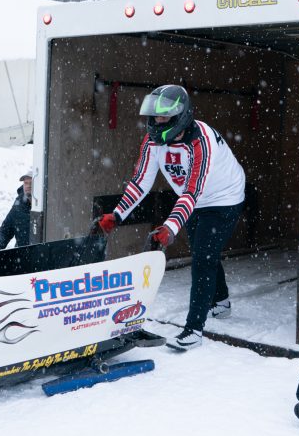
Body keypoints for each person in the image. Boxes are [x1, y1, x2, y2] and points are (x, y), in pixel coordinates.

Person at [96, 85, 246, 351]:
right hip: (193, 199)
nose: (156, 123)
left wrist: (170, 226)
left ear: (180, 116)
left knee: (202, 257)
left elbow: (192, 190)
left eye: (162, 118)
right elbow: (140, 182)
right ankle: (221, 301)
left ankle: (194, 329)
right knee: (205, 251)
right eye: (153, 118)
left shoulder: (201, 140)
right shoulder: (152, 141)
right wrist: (116, 215)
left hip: (224, 197)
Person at [0, 169, 33, 250]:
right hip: (23, 256)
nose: (28, 186)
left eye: (31, 183)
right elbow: (4, 231)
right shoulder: (18, 206)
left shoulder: (46, 205)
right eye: (26, 183)